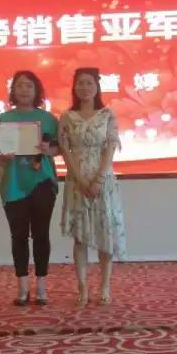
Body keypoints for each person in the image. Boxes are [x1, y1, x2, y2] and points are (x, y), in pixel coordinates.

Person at [0, 70, 60, 305]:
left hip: (42, 183)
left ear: (36, 91)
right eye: (20, 86)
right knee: (18, 236)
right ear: (13, 91)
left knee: (41, 234)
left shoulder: (48, 119)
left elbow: (59, 148)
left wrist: (49, 150)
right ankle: (22, 287)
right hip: (13, 185)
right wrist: (0, 155)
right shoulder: (3, 120)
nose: (24, 90)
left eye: (29, 86)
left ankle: (42, 286)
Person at [58, 67, 127, 306]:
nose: (84, 87)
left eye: (89, 83)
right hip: (76, 182)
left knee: (105, 233)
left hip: (103, 181)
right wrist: (78, 178)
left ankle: (105, 287)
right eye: (80, 83)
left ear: (97, 86)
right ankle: (83, 288)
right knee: (80, 238)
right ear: (74, 87)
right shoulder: (67, 117)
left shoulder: (107, 115)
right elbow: (65, 150)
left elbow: (110, 147)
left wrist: (98, 179)